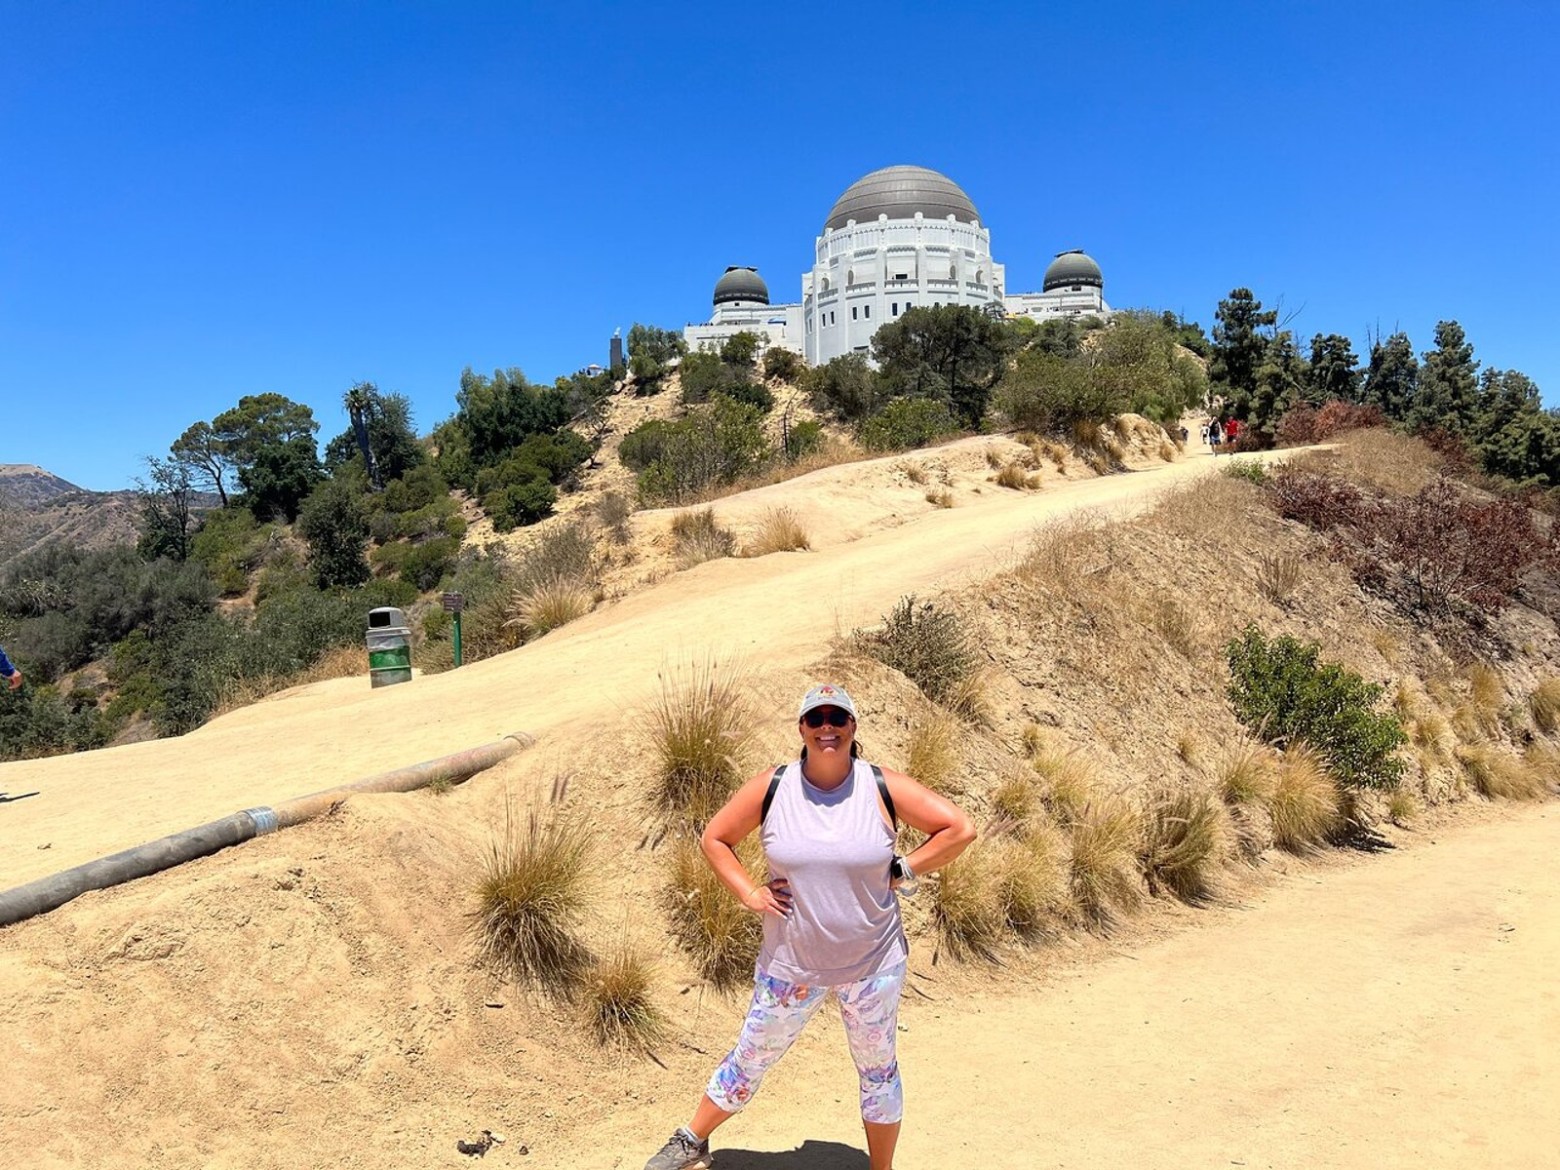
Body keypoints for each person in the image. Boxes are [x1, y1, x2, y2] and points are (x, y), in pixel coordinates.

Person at [643, 684, 977, 1170]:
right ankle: (692, 1139)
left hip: (872, 966)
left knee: (877, 1072)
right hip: (791, 966)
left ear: (853, 728)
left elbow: (958, 829)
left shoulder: (879, 785)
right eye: (816, 718)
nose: (827, 727)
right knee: (751, 1056)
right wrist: (748, 893)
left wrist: (905, 868)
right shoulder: (773, 787)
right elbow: (715, 837)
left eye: (837, 718)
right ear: (801, 728)